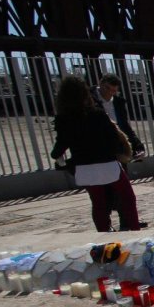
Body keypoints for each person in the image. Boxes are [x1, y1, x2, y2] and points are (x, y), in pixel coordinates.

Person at [52, 75, 142, 232]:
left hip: (84, 168)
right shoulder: (97, 114)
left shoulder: (63, 119)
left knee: (98, 203)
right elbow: (114, 138)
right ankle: (134, 230)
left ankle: (103, 235)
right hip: (107, 164)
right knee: (127, 197)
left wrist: (60, 158)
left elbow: (58, 149)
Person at [91, 74, 146, 160]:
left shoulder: (118, 103)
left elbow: (125, 126)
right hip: (95, 147)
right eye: (107, 88)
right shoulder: (89, 99)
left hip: (117, 147)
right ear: (100, 83)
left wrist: (138, 146)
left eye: (113, 90)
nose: (109, 92)